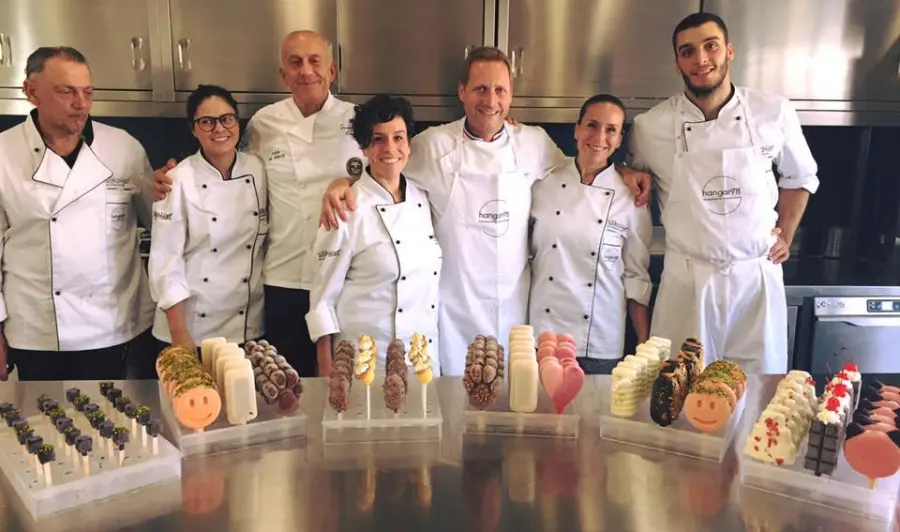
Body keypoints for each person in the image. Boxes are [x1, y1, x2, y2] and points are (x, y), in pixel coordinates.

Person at [320, 47, 652, 375]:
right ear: (462, 92)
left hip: (513, 313)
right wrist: (342, 183)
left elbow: (581, 167)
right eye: (480, 89)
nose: (490, 101)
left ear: (510, 96)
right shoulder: (434, 144)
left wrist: (623, 171)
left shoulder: (533, 142)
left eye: (499, 90)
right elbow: (388, 161)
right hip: (453, 313)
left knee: (508, 403)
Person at [152, 30, 364, 377]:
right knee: (284, 388)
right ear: (283, 75)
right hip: (281, 281)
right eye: (295, 63)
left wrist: (348, 180)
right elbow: (225, 166)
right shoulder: (265, 123)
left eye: (315, 61)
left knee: (341, 385)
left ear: (332, 70)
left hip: (343, 276)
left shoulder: (360, 120)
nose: (306, 71)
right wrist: (161, 179)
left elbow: (387, 174)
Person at [627, 13, 819, 373]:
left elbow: (801, 175)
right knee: (678, 397)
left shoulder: (772, 112)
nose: (700, 60)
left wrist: (787, 233)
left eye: (710, 46)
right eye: (688, 52)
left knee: (757, 396)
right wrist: (625, 171)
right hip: (687, 283)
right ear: (677, 62)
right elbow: (627, 170)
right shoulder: (649, 126)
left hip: (755, 283)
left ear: (729, 50)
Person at [0, 46, 155, 381]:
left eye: (87, 92)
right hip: (36, 330)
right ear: (31, 92)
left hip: (114, 325)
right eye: (66, 91)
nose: (81, 103)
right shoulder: (4, 154)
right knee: (42, 427)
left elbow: (158, 220)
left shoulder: (123, 148)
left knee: (114, 425)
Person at [306, 95, 441, 375]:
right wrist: (327, 371)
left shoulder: (424, 198)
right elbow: (322, 299)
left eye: (398, 137)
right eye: (378, 139)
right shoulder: (345, 207)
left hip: (423, 361)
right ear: (363, 148)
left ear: (409, 143)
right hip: (366, 364)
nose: (390, 148)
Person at [529, 94, 652, 374]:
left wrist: (643, 343)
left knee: (593, 416)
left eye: (611, 130)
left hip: (599, 338)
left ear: (620, 139)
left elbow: (636, 277)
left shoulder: (630, 198)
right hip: (542, 335)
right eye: (592, 125)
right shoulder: (543, 182)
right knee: (541, 416)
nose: (599, 136)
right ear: (577, 129)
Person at [148, 85, 267, 354]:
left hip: (248, 328)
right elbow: (165, 262)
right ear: (193, 129)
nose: (219, 128)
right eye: (207, 122)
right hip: (190, 329)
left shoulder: (258, 170)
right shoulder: (176, 180)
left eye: (227, 118)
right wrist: (180, 334)